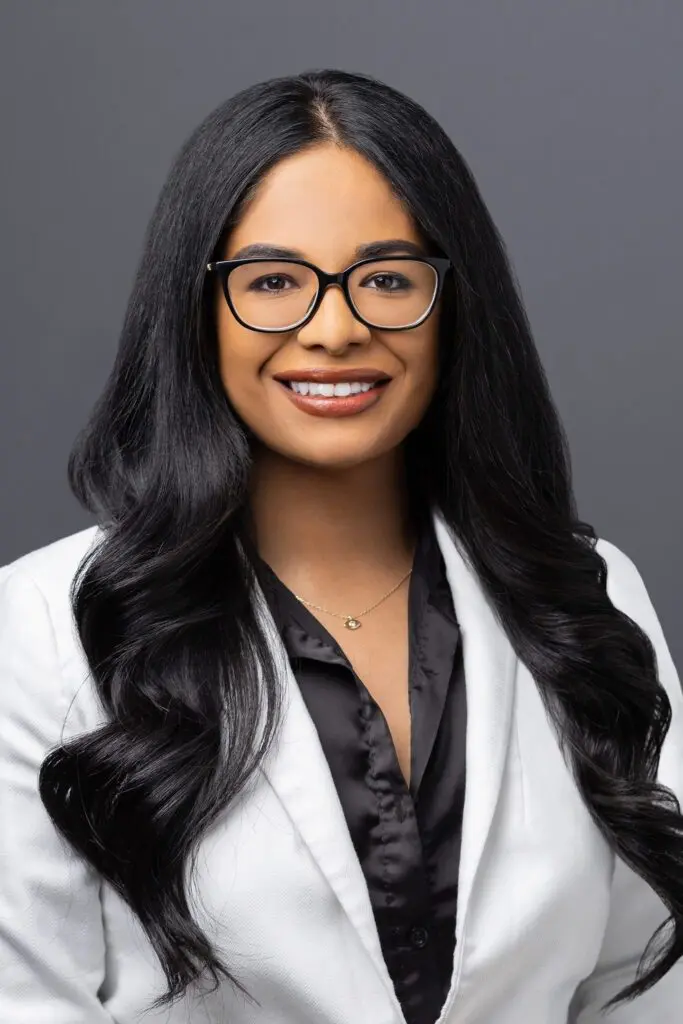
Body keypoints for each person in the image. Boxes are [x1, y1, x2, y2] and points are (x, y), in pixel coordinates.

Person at [0, 68, 682, 1024]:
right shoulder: (38, 629)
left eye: (387, 279)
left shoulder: (587, 594)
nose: (335, 327)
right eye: (273, 281)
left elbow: (645, 984)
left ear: (453, 306)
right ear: (194, 309)